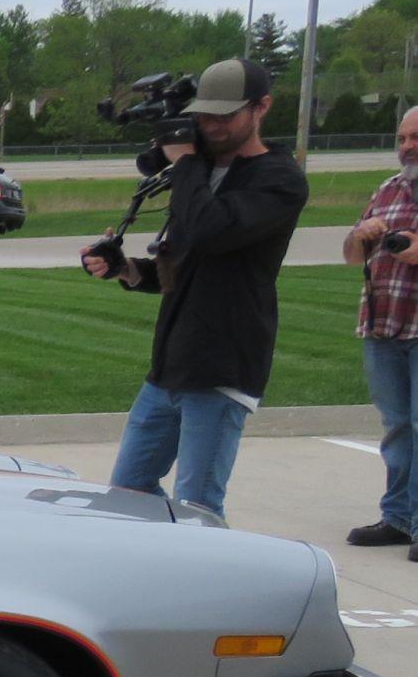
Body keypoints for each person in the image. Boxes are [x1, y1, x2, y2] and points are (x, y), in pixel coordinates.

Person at [81, 57, 308, 521]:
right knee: (127, 492)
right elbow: (186, 261)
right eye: (204, 115)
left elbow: (210, 230)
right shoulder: (199, 173)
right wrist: (126, 269)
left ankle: (206, 582)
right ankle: (163, 571)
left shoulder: (279, 179)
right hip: (170, 366)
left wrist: (185, 163)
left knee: (197, 508)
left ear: (261, 107)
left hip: (222, 365)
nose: (211, 125)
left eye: (225, 116)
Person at [342, 105, 418, 556]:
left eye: (416, 138)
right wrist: (363, 235)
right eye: (402, 138)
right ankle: (398, 518)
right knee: (396, 427)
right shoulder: (386, 190)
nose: (407, 147)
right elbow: (352, 255)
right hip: (383, 327)